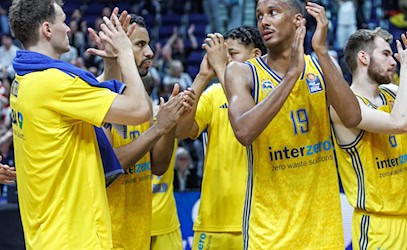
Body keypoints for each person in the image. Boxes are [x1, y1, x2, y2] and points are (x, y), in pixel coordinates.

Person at [8, 1, 151, 248]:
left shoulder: (26, 78)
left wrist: (112, 63)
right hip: (74, 236)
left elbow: (79, 99)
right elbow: (140, 109)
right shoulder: (56, 83)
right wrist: (126, 52)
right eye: (62, 21)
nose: (68, 28)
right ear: (47, 29)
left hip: (48, 234)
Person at [223, 1, 362, 249]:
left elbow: (352, 117)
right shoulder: (241, 72)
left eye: (273, 13)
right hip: (269, 232)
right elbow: (244, 132)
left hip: (323, 230)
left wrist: (320, 50)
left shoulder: (321, 64)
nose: (264, 21)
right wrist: (291, 76)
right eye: (259, 16)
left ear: (298, 21)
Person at [331, 27, 407, 249]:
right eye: (386, 54)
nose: (394, 61)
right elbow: (398, 123)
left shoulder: (391, 92)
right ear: (363, 57)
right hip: (377, 223)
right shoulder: (346, 105)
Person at [98, 14, 194, 250]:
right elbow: (109, 166)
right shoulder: (97, 94)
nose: (150, 52)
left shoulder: (141, 99)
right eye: (141, 45)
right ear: (120, 48)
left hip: (139, 233)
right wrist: (158, 128)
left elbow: (157, 167)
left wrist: (169, 124)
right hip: (107, 238)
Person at [176, 25, 266, 249]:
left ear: (256, 56)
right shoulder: (213, 94)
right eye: (222, 56)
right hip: (212, 222)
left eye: (232, 54)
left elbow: (243, 110)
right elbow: (181, 130)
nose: (224, 61)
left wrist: (219, 66)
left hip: (257, 221)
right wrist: (202, 76)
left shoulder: (269, 93)